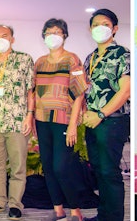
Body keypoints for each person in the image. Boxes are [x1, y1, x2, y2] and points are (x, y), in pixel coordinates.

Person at [34, 19, 89, 221]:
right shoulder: (39, 62)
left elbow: (79, 94)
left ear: (65, 35)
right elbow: (34, 93)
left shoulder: (72, 60)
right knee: (48, 166)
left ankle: (75, 210)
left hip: (63, 121)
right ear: (43, 36)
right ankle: (58, 209)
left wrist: (73, 125)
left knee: (61, 167)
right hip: (42, 120)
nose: (53, 35)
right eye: (49, 32)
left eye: (57, 32)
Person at [0, 25, 35, 220]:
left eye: (5, 36)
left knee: (18, 165)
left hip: (17, 121)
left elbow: (30, 91)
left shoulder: (24, 59)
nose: (0, 39)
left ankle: (15, 204)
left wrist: (29, 115)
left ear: (12, 39)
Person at [81, 10, 131, 221]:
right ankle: (104, 215)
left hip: (113, 120)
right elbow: (85, 90)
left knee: (110, 172)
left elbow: (125, 90)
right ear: (90, 29)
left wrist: (101, 113)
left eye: (105, 23)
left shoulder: (122, 53)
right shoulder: (89, 58)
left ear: (115, 28)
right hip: (92, 122)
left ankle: (114, 217)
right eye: (95, 24)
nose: (99, 28)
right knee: (99, 170)